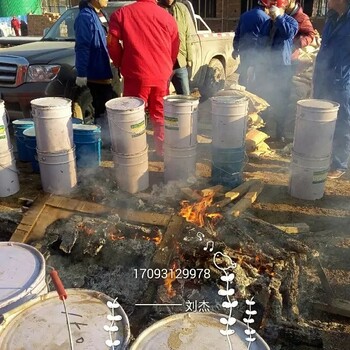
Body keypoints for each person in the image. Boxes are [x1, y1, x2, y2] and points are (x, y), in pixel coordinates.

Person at [107, 0, 180, 157]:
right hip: (161, 75)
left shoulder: (122, 14)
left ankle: (135, 152)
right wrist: (167, 66)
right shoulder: (166, 16)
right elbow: (175, 45)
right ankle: (162, 151)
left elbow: (112, 42)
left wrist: (119, 62)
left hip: (136, 74)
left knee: (134, 115)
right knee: (160, 114)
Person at [313, 0, 350, 179]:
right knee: (322, 120)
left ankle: (339, 163)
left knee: (343, 122)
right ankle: (323, 157)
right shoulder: (331, 19)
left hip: (344, 82)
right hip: (324, 79)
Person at [258, 0, 298, 140]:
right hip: (266, 67)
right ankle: (262, 131)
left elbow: (288, 34)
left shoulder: (291, 22)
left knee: (281, 100)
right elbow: (260, 43)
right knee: (264, 99)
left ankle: (279, 133)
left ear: (280, 7)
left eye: (271, 7)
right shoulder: (267, 23)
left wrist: (279, 18)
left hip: (282, 68)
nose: (269, 10)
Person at [74, 0, 115, 135]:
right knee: (101, 108)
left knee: (108, 105)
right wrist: (81, 73)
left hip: (106, 69)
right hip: (96, 72)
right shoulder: (85, 17)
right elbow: (82, 46)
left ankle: (107, 137)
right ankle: (102, 139)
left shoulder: (101, 14)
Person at [232, 1, 270, 91]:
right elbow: (267, 36)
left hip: (244, 49)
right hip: (257, 50)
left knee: (244, 71)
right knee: (256, 73)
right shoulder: (266, 18)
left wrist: (235, 48)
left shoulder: (244, 15)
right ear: (265, 7)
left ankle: (242, 92)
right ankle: (253, 94)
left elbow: (237, 33)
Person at [158, 0, 193, 95]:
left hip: (180, 62)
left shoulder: (182, 9)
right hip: (162, 63)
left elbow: (188, 34)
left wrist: (189, 57)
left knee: (185, 96)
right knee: (162, 98)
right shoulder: (156, 9)